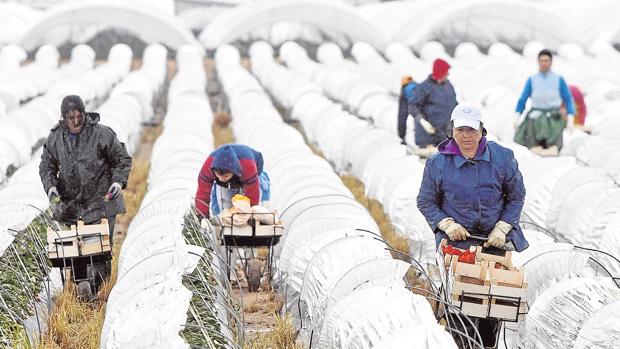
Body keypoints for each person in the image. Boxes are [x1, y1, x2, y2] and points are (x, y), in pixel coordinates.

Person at [417, 104, 528, 347]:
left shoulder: (503, 157)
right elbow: (425, 200)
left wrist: (502, 227)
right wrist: (447, 224)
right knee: (461, 307)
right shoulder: (438, 163)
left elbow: (516, 196)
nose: (466, 136)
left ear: (482, 131)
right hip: (458, 245)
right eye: (461, 130)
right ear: (452, 131)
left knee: (491, 310)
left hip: (493, 243)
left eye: (472, 130)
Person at [39, 95, 131, 244]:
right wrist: (51, 188)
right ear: (63, 118)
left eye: (79, 116)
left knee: (97, 255)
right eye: (71, 118)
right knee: (74, 257)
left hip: (101, 205)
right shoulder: (56, 139)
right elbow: (46, 166)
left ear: (84, 113)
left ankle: (100, 266)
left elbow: (121, 160)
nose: (76, 121)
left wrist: (117, 183)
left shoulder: (101, 134)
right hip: (70, 208)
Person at [514, 49, 575, 155]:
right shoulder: (532, 80)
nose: (544, 63)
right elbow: (523, 99)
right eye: (542, 60)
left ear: (551, 62)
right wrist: (517, 116)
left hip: (554, 118)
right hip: (535, 118)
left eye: (546, 60)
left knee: (554, 148)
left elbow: (568, 98)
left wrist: (570, 119)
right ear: (538, 62)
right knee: (533, 148)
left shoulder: (558, 79)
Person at [195, 144, 270, 221]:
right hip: (231, 178)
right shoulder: (208, 166)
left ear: (234, 171)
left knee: (248, 210)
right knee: (226, 212)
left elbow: (253, 195)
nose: (221, 179)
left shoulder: (248, 166)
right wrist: (202, 216)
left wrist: (251, 216)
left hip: (250, 171)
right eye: (218, 175)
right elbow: (202, 193)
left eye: (225, 176)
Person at [407, 58, 457, 156]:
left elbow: (454, 102)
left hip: (445, 134)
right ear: (439, 72)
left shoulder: (448, 85)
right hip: (428, 136)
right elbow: (413, 106)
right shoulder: (424, 87)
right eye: (446, 72)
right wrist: (422, 121)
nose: (448, 74)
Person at [397, 75, 417, 145]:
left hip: (408, 103)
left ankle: (403, 137)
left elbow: (402, 117)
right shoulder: (417, 86)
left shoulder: (404, 90)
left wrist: (401, 135)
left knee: (402, 117)